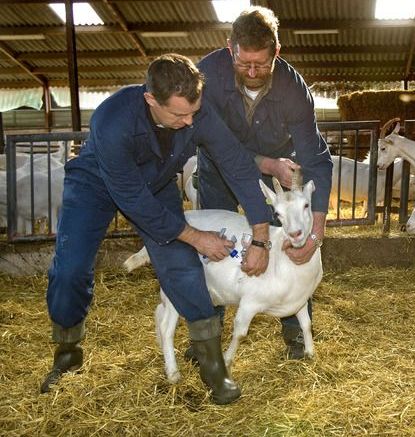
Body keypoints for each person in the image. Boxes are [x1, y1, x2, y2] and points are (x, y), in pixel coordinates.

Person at [41, 54, 273, 405]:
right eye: (179, 115)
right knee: (70, 268)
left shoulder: (195, 111)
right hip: (97, 184)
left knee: (182, 266)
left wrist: (261, 233)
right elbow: (133, 199)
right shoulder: (112, 119)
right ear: (151, 99)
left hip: (157, 180)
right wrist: (195, 236)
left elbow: (236, 163)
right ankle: (67, 351)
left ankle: (211, 364)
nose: (190, 120)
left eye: (193, 112)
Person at [196, 6, 332, 360]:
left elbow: (316, 159)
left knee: (291, 241)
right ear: (231, 49)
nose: (253, 73)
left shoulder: (293, 87)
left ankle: (297, 336)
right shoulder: (205, 77)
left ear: (277, 53)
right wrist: (266, 162)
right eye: (244, 64)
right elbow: (217, 144)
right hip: (220, 172)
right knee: (214, 248)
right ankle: (207, 337)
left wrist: (315, 233)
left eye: (262, 64)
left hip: (277, 177)